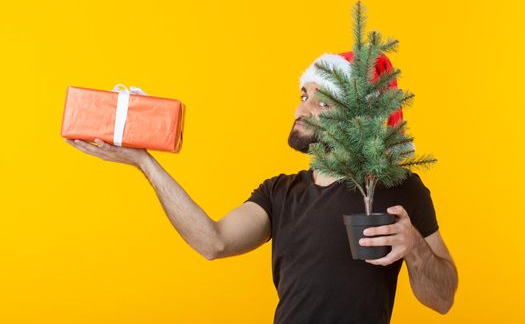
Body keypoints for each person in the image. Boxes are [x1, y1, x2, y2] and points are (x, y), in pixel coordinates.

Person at [65, 52, 458, 324]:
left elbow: (441, 300)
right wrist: (145, 163)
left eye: (322, 103)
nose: (302, 108)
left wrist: (416, 248)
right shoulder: (279, 193)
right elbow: (212, 241)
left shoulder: (398, 188)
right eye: (304, 95)